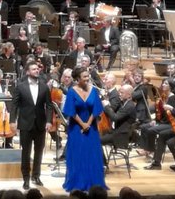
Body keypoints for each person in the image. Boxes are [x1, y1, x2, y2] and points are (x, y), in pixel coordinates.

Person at [61, 66, 107, 191]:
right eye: (84, 77)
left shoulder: (93, 90)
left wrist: (88, 123)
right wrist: (82, 124)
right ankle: (77, 182)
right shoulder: (72, 91)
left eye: (88, 76)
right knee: (78, 155)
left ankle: (94, 183)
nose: (87, 79)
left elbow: (96, 109)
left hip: (91, 128)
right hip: (76, 128)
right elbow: (71, 111)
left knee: (92, 154)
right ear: (77, 79)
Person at [13, 60, 53, 190]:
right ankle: (26, 178)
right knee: (26, 152)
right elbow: (14, 105)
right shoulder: (20, 86)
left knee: (39, 151)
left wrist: (48, 121)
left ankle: (36, 175)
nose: (37, 70)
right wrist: (12, 121)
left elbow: (49, 106)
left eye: (37, 69)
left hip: (40, 124)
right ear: (28, 72)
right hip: (25, 124)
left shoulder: (44, 86)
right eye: (34, 69)